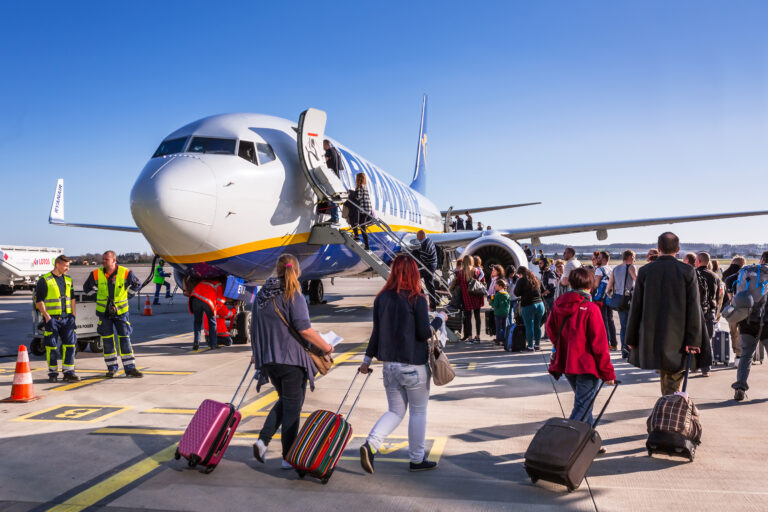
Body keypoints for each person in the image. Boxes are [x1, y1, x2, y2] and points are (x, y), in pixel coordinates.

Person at [251, 254, 334, 468]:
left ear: (277, 270)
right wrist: (326, 347)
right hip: (291, 361)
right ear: (296, 271)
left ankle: (263, 441)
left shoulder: (262, 295)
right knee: (292, 409)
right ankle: (288, 457)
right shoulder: (292, 293)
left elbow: (254, 328)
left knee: (287, 401)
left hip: (269, 360)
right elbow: (304, 329)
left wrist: (257, 353)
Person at [359, 255, 438, 473]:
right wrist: (439, 320)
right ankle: (416, 458)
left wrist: (366, 361)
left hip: (390, 367)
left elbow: (375, 333)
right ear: (414, 274)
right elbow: (423, 333)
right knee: (418, 412)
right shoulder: (417, 299)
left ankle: (371, 445)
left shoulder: (381, 299)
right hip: (414, 365)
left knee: (395, 410)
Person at [626, 232, 708, 395]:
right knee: (672, 385)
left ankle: (667, 413)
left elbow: (636, 307)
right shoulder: (687, 271)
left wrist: (631, 338)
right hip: (678, 338)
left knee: (668, 384)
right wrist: (693, 340)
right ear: (677, 249)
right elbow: (693, 308)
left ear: (658, 248)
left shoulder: (645, 271)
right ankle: (669, 416)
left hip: (652, 337)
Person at [547, 266, 616, 426]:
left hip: (567, 363)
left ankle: (589, 442)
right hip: (587, 365)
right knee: (582, 407)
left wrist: (565, 344)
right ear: (590, 285)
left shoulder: (559, 304)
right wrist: (608, 373)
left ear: (571, 283)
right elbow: (599, 344)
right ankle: (566, 442)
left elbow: (550, 330)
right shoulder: (591, 309)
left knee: (585, 404)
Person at [83, 251, 143, 378]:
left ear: (114, 260)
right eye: (103, 259)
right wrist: (97, 297)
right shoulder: (96, 273)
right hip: (104, 313)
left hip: (121, 313)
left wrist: (128, 295)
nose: (103, 261)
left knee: (125, 339)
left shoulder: (125, 272)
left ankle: (130, 368)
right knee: (107, 341)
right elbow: (87, 288)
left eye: (106, 259)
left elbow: (137, 284)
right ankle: (112, 368)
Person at [35, 255, 80, 383]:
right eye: (66, 266)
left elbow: (72, 297)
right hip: (52, 319)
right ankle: (53, 373)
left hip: (67, 319)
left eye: (68, 266)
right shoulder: (45, 280)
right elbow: (39, 301)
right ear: (57, 265)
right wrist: (47, 317)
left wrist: (73, 314)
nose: (68, 269)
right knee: (52, 346)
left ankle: (69, 372)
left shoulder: (68, 279)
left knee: (70, 345)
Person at [731, 251, 768, 401]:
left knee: (746, 355)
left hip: (747, 319)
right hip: (766, 321)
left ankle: (740, 387)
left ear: (761, 259)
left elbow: (728, 280)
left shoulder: (747, 272)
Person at [692, 252, 720, 377]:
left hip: (696, 312)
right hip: (710, 311)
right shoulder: (714, 276)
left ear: (698, 260)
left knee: (693, 339)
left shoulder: (694, 274)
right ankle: (706, 369)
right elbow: (719, 295)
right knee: (707, 341)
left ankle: (693, 366)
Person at [606, 250, 637, 358]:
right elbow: (636, 281)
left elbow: (609, 286)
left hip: (618, 299)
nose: (634, 259)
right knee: (631, 325)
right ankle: (629, 348)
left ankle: (624, 350)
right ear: (629, 257)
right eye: (634, 257)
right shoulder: (631, 267)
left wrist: (611, 295)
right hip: (628, 299)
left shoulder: (615, 268)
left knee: (623, 325)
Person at [450, 254, 484, 343]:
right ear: (472, 261)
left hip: (467, 298)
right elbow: (482, 281)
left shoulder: (460, 273)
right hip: (476, 296)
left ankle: (470, 337)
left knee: (468, 318)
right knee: (477, 317)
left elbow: (457, 284)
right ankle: (478, 336)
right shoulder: (476, 271)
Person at [723, 256, 747, 363]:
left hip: (732, 305)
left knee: (733, 331)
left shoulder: (727, 274)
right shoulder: (745, 274)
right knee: (743, 331)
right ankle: (742, 354)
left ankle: (737, 353)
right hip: (745, 305)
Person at [514, 267, 545, 350]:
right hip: (540, 304)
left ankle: (530, 346)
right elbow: (543, 290)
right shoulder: (536, 278)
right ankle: (537, 345)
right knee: (537, 326)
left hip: (528, 305)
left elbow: (516, 293)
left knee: (529, 326)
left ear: (520, 273)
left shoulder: (521, 280)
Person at [189, 278, 224, 350]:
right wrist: (218, 309)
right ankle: (213, 344)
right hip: (207, 301)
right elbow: (220, 300)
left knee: (197, 322)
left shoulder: (202, 281)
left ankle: (196, 342)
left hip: (195, 299)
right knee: (212, 322)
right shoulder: (218, 283)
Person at [592, 251, 617, 350]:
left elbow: (596, 285)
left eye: (599, 258)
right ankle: (614, 343)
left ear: (603, 259)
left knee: (603, 320)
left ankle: (605, 343)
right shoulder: (610, 269)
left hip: (600, 298)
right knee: (610, 319)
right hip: (608, 296)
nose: (597, 259)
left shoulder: (599, 270)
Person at [413, 230, 438, 310]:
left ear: (421, 236)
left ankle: (422, 299)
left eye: (417, 236)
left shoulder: (425, 245)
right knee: (430, 285)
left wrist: (416, 255)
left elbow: (424, 258)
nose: (417, 238)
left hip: (429, 266)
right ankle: (433, 305)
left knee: (414, 278)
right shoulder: (428, 240)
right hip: (432, 265)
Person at [323, 139, 344, 224]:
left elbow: (325, 160)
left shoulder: (329, 151)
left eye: (323, 145)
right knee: (334, 198)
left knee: (332, 198)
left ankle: (334, 217)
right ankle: (335, 217)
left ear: (326, 145)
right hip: (336, 177)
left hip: (331, 177)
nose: (323, 147)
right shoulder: (335, 152)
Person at [350, 172, 372, 250]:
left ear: (358, 179)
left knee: (361, 226)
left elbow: (358, 197)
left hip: (363, 208)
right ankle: (366, 244)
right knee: (362, 225)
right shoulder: (364, 186)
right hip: (367, 208)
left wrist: (350, 192)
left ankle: (366, 245)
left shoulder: (360, 187)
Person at [489, 279, 511, 345]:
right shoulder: (507, 294)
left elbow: (495, 305)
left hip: (498, 313)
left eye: (496, 285)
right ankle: (504, 340)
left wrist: (491, 299)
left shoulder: (498, 295)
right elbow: (509, 303)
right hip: (505, 313)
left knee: (498, 327)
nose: (495, 286)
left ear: (500, 286)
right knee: (504, 326)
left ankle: (498, 340)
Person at [538, 258, 558, 329]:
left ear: (546, 264)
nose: (539, 265)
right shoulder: (543, 273)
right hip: (545, 298)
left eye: (541, 263)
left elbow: (552, 288)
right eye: (539, 263)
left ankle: (548, 334)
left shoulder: (550, 273)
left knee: (548, 316)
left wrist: (542, 294)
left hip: (550, 298)